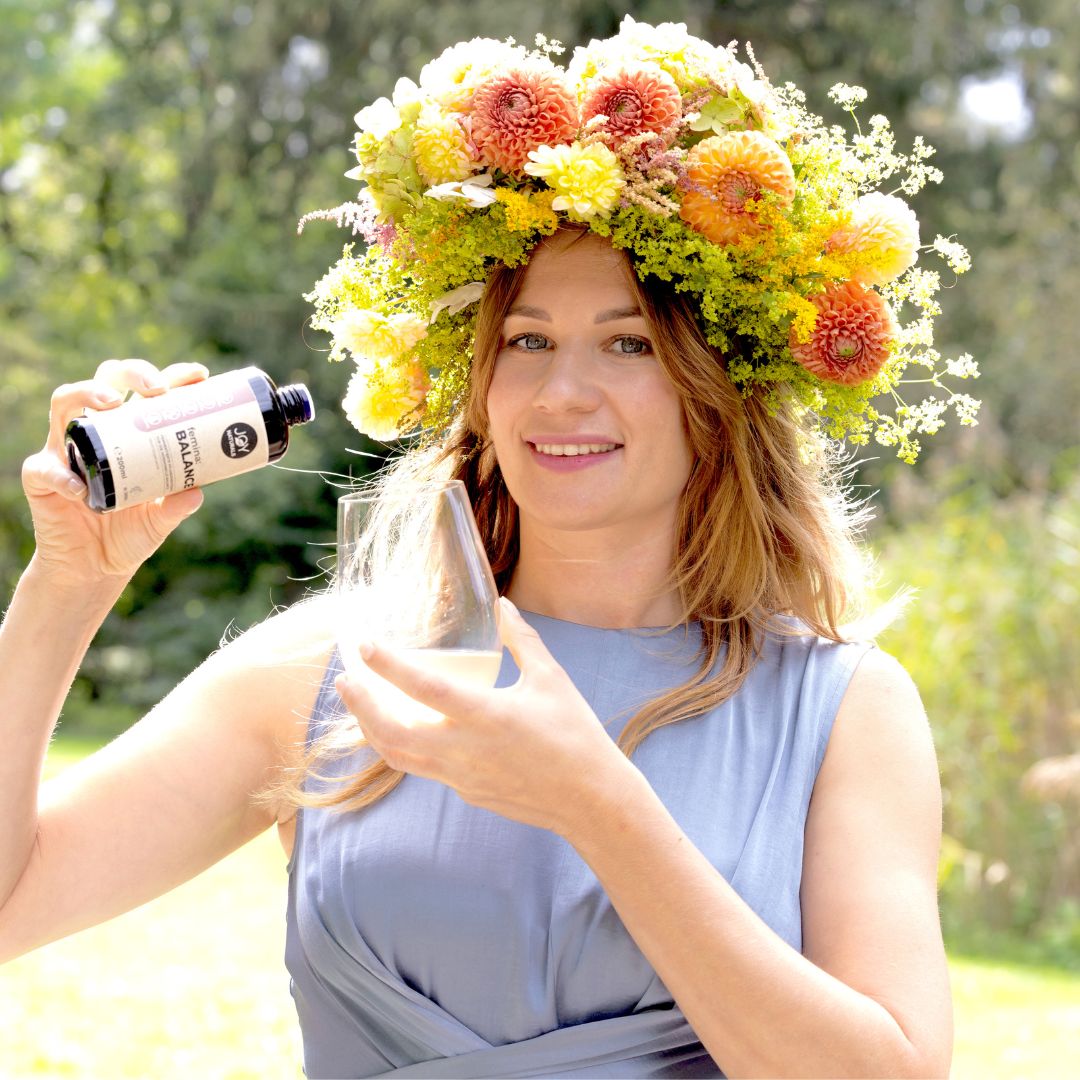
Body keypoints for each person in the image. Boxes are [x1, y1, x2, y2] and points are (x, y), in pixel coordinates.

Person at [1, 18, 976, 1078]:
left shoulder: (843, 711)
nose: (563, 391)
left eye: (627, 342)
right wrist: (66, 586)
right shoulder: (342, 669)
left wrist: (596, 806)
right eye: (527, 340)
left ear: (722, 392)